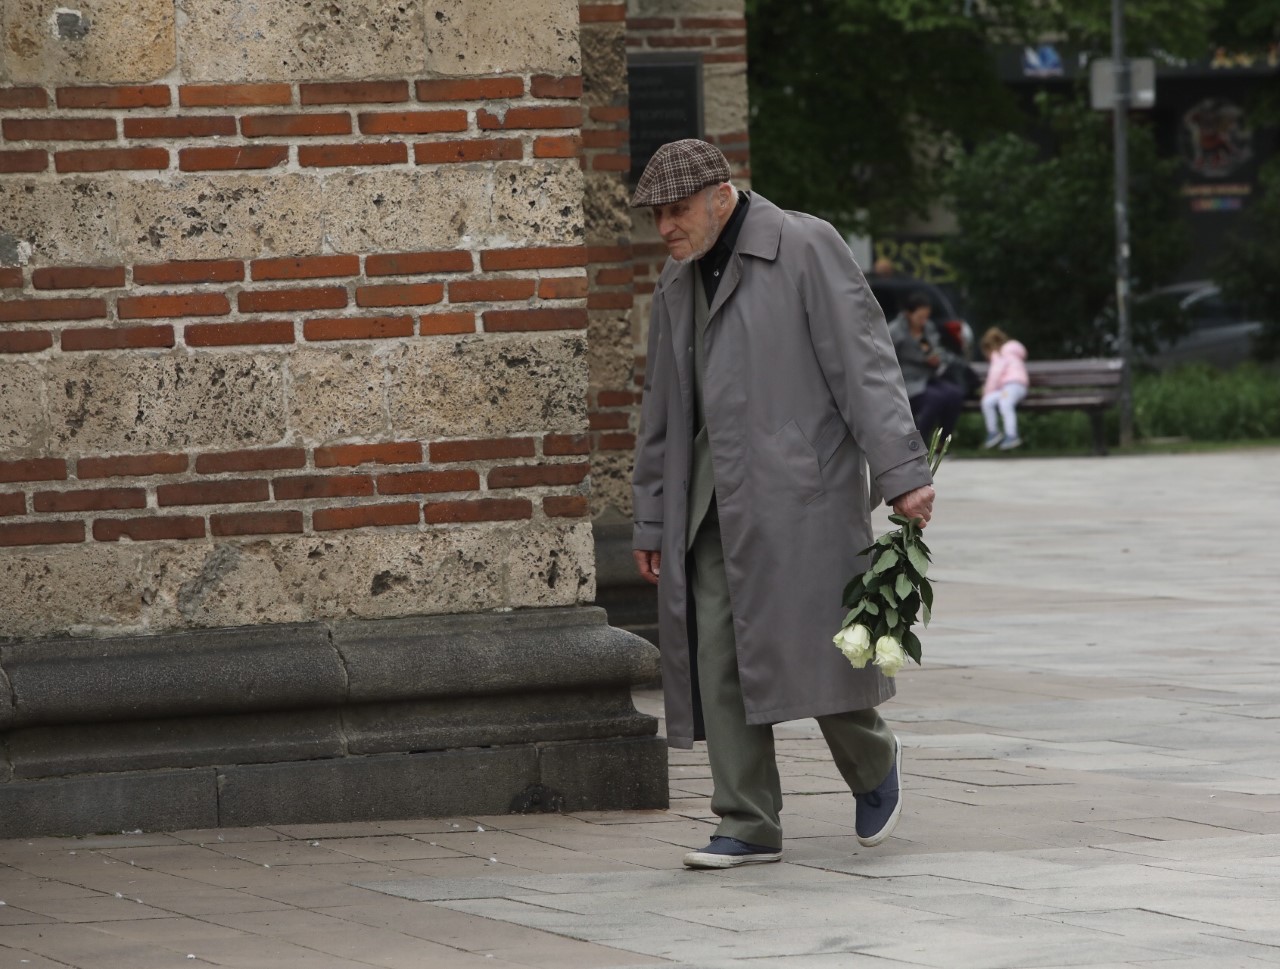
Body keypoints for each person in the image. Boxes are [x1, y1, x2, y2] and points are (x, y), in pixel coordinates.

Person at [629, 139, 936, 870]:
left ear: (720, 196)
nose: (665, 227)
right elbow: (661, 413)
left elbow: (864, 362)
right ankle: (747, 820)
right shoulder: (675, 286)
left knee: (816, 645)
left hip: (798, 489)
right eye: (656, 216)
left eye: (676, 211)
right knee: (719, 659)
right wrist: (650, 514)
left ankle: (873, 762)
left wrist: (902, 470)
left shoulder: (804, 245)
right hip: (703, 503)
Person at [887, 292, 965, 442]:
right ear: (909, 314)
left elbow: (930, 351)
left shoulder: (925, 328)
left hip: (927, 377)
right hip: (907, 381)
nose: (924, 321)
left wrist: (934, 358)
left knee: (954, 394)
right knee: (935, 398)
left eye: (926, 317)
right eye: (920, 317)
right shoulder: (895, 331)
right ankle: (919, 443)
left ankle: (943, 441)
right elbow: (887, 358)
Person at [979, 327, 1029, 450]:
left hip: (1014, 386)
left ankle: (1012, 435)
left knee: (1005, 403)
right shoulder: (1011, 352)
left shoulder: (1000, 353)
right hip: (1009, 388)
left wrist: (986, 391)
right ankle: (993, 432)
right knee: (987, 401)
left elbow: (994, 375)